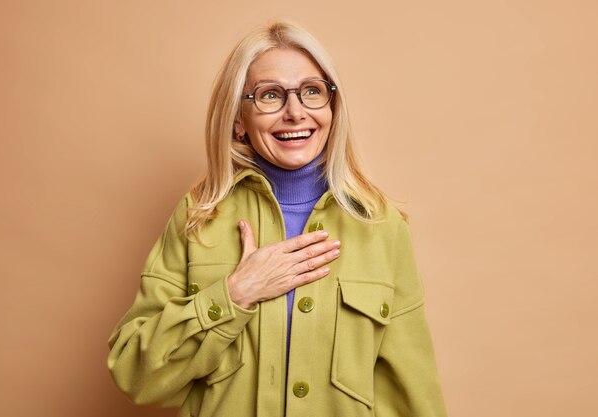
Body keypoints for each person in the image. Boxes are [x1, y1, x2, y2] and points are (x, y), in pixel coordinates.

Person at [107, 20, 448, 417]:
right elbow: (135, 375)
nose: (295, 112)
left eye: (311, 92)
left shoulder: (381, 225)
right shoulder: (198, 217)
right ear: (238, 120)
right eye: (270, 95)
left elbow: (410, 392)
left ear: (332, 109)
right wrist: (234, 294)